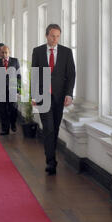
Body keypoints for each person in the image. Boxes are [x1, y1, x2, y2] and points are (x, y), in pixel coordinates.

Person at [32, 24, 76, 176]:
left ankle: (51, 156)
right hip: (44, 96)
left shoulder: (66, 52)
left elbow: (71, 75)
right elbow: (35, 74)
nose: (55, 39)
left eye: (57, 36)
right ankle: (50, 161)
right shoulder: (37, 51)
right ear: (46, 35)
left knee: (55, 128)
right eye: (52, 36)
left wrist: (69, 94)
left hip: (59, 97)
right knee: (48, 128)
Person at [0, 46, 21, 135]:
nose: (4, 54)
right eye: (2, 53)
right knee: (2, 110)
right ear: (0, 53)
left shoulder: (15, 61)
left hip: (12, 89)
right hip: (1, 90)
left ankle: (13, 123)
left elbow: (18, 76)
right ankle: (5, 129)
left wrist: (18, 89)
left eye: (6, 52)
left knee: (13, 108)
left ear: (9, 52)